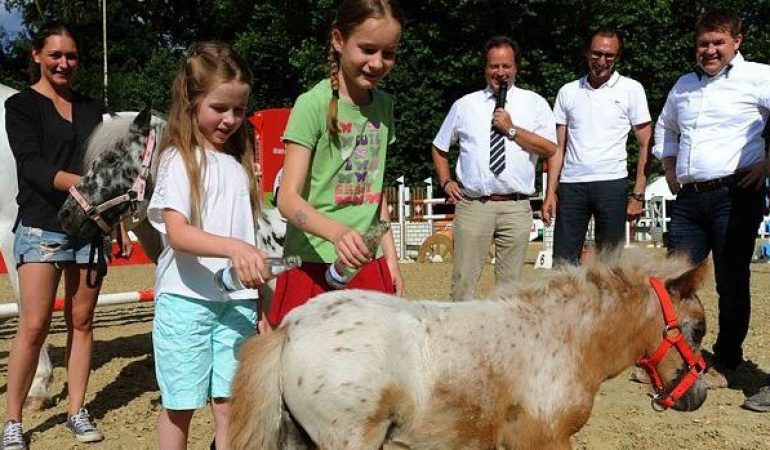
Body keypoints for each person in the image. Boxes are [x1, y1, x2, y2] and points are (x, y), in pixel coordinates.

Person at [146, 41, 269, 449]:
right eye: (220, 108)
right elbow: (177, 234)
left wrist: (261, 299)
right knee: (180, 405)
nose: (230, 119)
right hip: (186, 302)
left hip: (236, 303)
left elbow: (250, 241)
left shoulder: (239, 166)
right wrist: (234, 249)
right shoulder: (178, 160)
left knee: (231, 405)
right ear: (192, 100)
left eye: (238, 110)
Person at [2, 22, 110, 449]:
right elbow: (30, 166)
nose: (64, 63)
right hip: (42, 225)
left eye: (71, 56)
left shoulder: (91, 108)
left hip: (90, 228)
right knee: (33, 326)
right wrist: (82, 183)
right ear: (37, 56)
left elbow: (107, 167)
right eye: (55, 55)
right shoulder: (22, 107)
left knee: (82, 323)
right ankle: (12, 420)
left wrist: (113, 219)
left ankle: (76, 411)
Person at [653, 9, 770, 390]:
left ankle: (728, 359)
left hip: (735, 194)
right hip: (689, 197)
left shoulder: (759, 77)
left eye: (718, 42)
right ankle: (676, 352)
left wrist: (768, 163)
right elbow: (665, 128)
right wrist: (668, 164)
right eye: (703, 43)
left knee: (731, 280)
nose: (710, 50)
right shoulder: (684, 85)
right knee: (673, 278)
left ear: (737, 41)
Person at [270, 0, 404, 325]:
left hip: (364, 263)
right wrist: (338, 234)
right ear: (338, 40)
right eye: (367, 49)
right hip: (310, 263)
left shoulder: (385, 106)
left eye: (388, 53)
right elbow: (287, 199)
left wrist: (390, 258)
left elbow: (375, 196)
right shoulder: (311, 105)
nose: (377, 63)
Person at [432, 35, 557, 302]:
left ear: (516, 68)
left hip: (516, 205)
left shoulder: (534, 103)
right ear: (485, 68)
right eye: (494, 66)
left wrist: (511, 129)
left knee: (510, 290)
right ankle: (461, 338)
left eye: (506, 66)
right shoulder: (465, 105)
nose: (500, 73)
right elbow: (439, 146)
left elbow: (549, 148)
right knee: (464, 281)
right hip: (474, 204)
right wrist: (446, 181)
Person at [542, 28, 652, 265]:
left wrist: (638, 195)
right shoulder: (568, 91)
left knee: (609, 266)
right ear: (586, 53)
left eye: (609, 55)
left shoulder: (632, 89)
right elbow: (557, 148)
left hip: (612, 184)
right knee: (563, 264)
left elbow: (646, 144)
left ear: (617, 57)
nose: (602, 61)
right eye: (596, 53)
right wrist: (550, 192)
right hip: (572, 186)